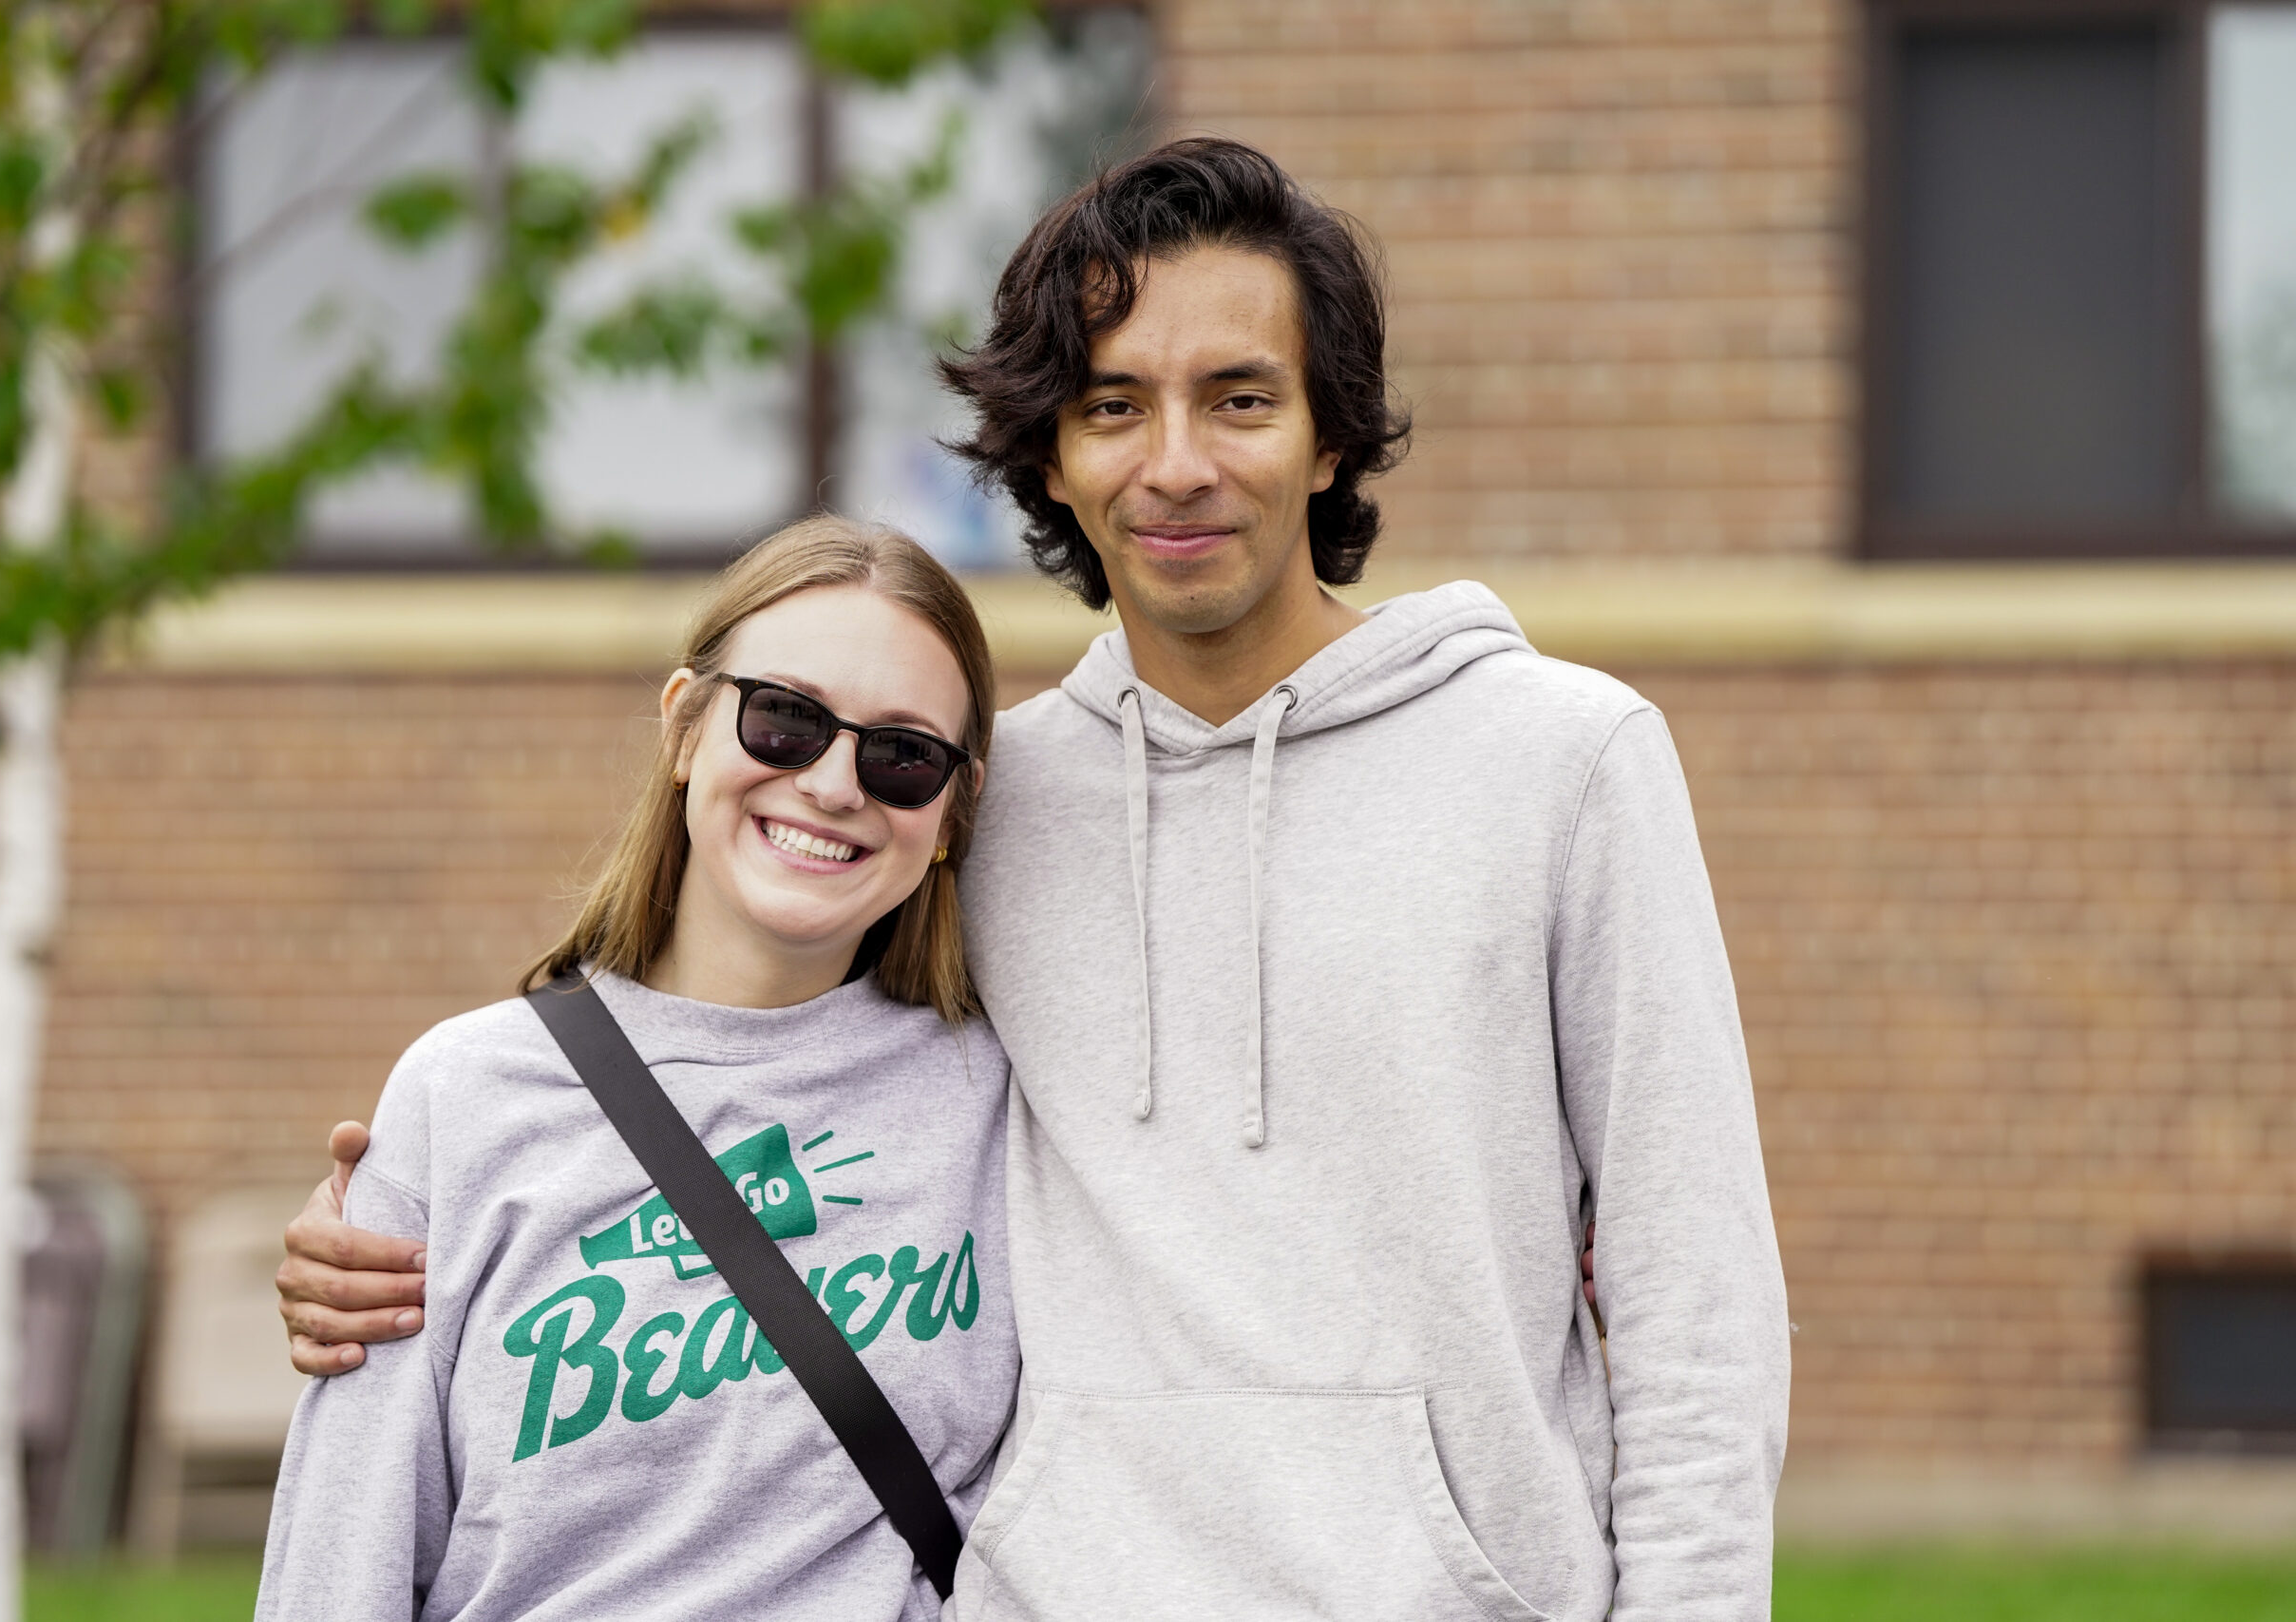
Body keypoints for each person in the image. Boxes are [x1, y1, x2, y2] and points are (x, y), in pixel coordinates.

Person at [281, 139, 1790, 1620]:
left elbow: (1693, 1303)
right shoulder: (977, 790)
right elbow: (760, 1054)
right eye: (1114, 405)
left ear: (1330, 437)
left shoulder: (1566, 760)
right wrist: (409, 1217)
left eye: (1241, 399)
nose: (1176, 462)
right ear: (1052, 459)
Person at [256, 517, 1016, 1622]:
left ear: (952, 810)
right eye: (786, 719)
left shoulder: (1005, 1105)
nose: (836, 784)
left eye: (902, 755)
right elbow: (344, 1552)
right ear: (683, 727)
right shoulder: (464, 1096)